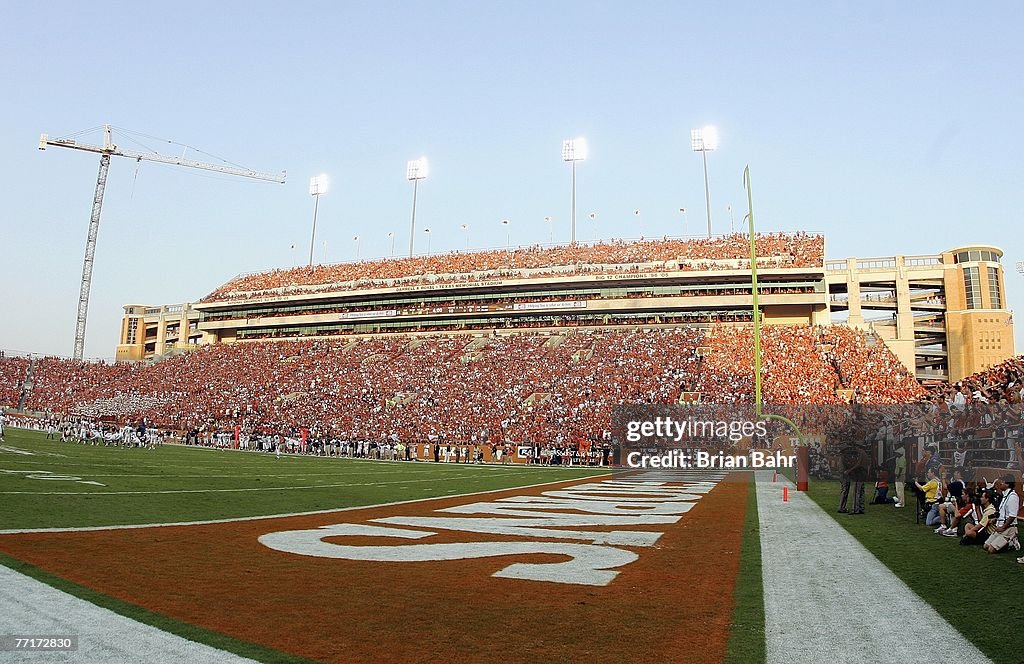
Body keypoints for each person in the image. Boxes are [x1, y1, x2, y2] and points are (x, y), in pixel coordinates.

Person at [984, 475, 1020, 554]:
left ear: (1007, 484)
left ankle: (1012, 541)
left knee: (991, 550)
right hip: (1000, 526)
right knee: (986, 546)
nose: (1001, 484)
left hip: (1008, 528)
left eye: (1003, 482)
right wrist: (995, 519)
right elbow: (1002, 513)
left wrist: (1003, 527)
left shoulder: (1012, 497)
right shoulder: (1005, 496)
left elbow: (1012, 516)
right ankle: (1006, 542)